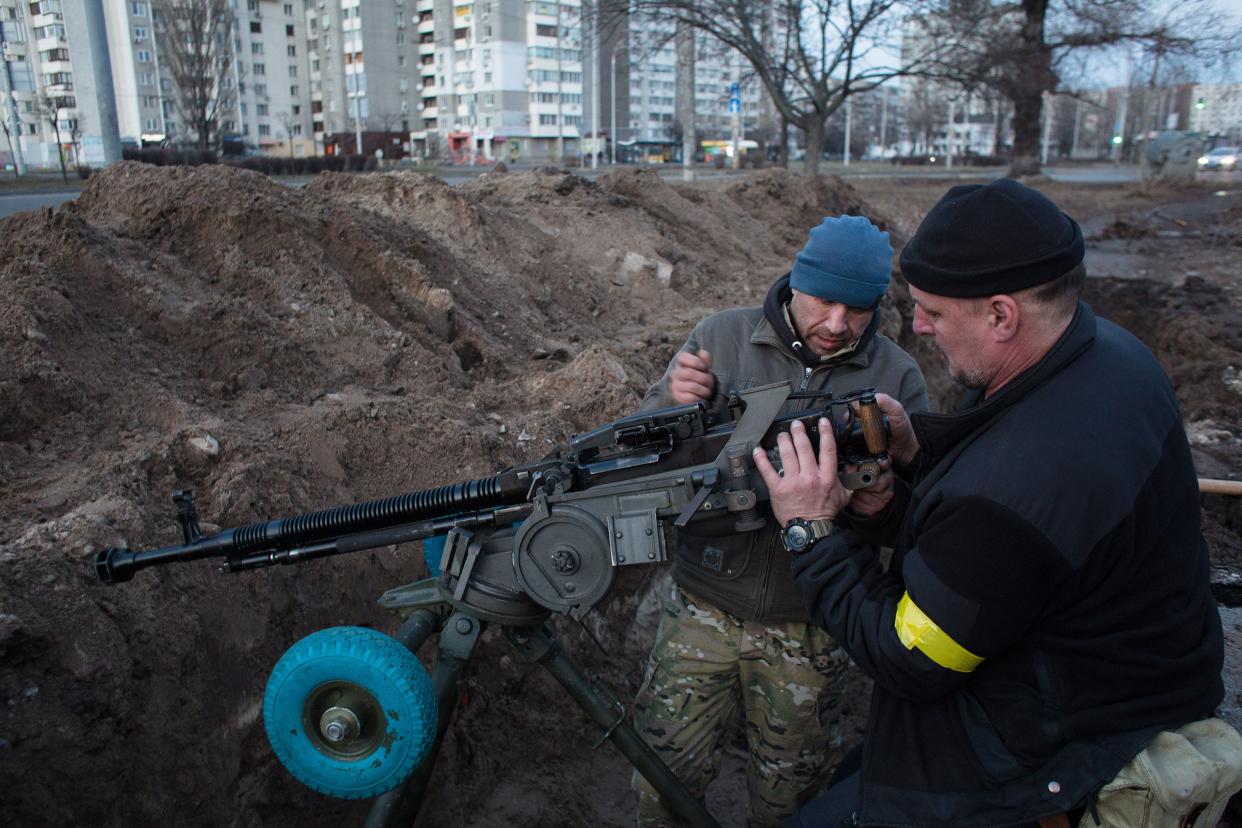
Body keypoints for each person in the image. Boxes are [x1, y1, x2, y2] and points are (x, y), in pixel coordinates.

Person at [754, 178, 1235, 827]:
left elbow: (911, 659)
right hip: (1121, 685)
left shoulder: (1025, 482)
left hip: (1048, 755)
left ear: (1002, 314)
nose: (917, 325)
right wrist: (917, 446)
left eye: (932, 311)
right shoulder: (1110, 357)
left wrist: (811, 532)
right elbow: (1006, 481)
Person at [632, 215, 929, 827]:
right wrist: (668, 404)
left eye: (859, 309)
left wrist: (884, 508)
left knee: (792, 798)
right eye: (824, 301)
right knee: (662, 779)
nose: (837, 324)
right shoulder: (723, 337)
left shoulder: (898, 379)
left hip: (814, 628)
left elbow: (921, 517)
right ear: (797, 280)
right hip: (702, 609)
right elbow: (640, 458)